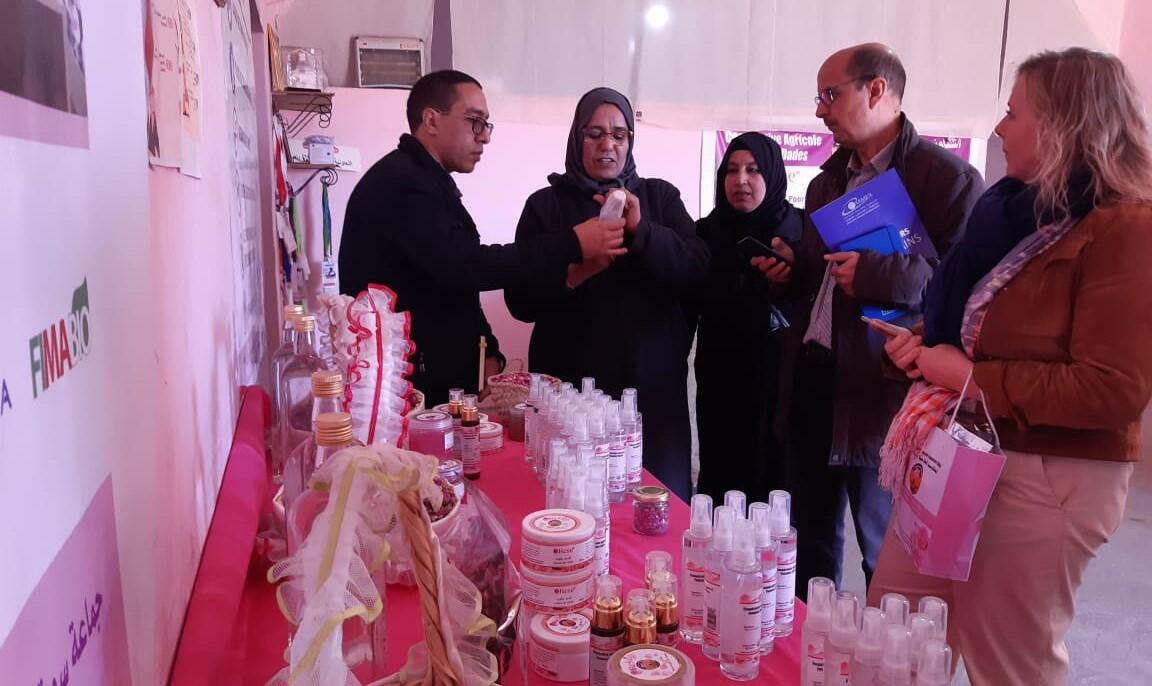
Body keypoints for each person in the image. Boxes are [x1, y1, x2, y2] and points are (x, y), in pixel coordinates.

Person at [869, 47, 1152, 685]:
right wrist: (924, 343)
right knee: (895, 634)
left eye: (1014, 113)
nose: (1000, 129)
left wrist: (965, 377)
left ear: (1064, 126)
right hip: (958, 449)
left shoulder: (1127, 228)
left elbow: (1111, 390)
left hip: (1046, 475)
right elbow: (986, 321)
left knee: (1007, 664)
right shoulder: (1013, 214)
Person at [778, 44, 985, 595]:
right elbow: (821, 281)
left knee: (888, 554)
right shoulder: (826, 182)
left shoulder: (948, 182)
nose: (819, 111)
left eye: (830, 95)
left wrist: (874, 273)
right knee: (810, 544)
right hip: (815, 379)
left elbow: (963, 294)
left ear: (876, 90)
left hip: (884, 393)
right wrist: (790, 268)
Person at [338, 70, 627, 405]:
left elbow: (452, 276)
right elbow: (467, 265)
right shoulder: (402, 184)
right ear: (431, 120)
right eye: (475, 122)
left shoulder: (430, 182)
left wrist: (484, 343)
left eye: (620, 134)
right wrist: (574, 243)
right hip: (405, 389)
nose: (485, 137)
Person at [504, 87, 708, 501]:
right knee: (571, 502)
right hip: (570, 391)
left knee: (656, 505)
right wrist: (577, 271)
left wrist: (641, 231)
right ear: (577, 138)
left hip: (650, 390)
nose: (607, 145)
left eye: (619, 134)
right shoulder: (546, 207)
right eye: (594, 133)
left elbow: (696, 269)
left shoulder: (659, 198)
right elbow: (519, 300)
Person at [687, 133, 803, 504]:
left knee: (776, 480)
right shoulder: (705, 233)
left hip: (781, 376)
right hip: (720, 375)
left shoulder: (798, 230)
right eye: (732, 170)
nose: (741, 180)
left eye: (753, 170)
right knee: (722, 477)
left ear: (773, 174)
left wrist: (792, 275)